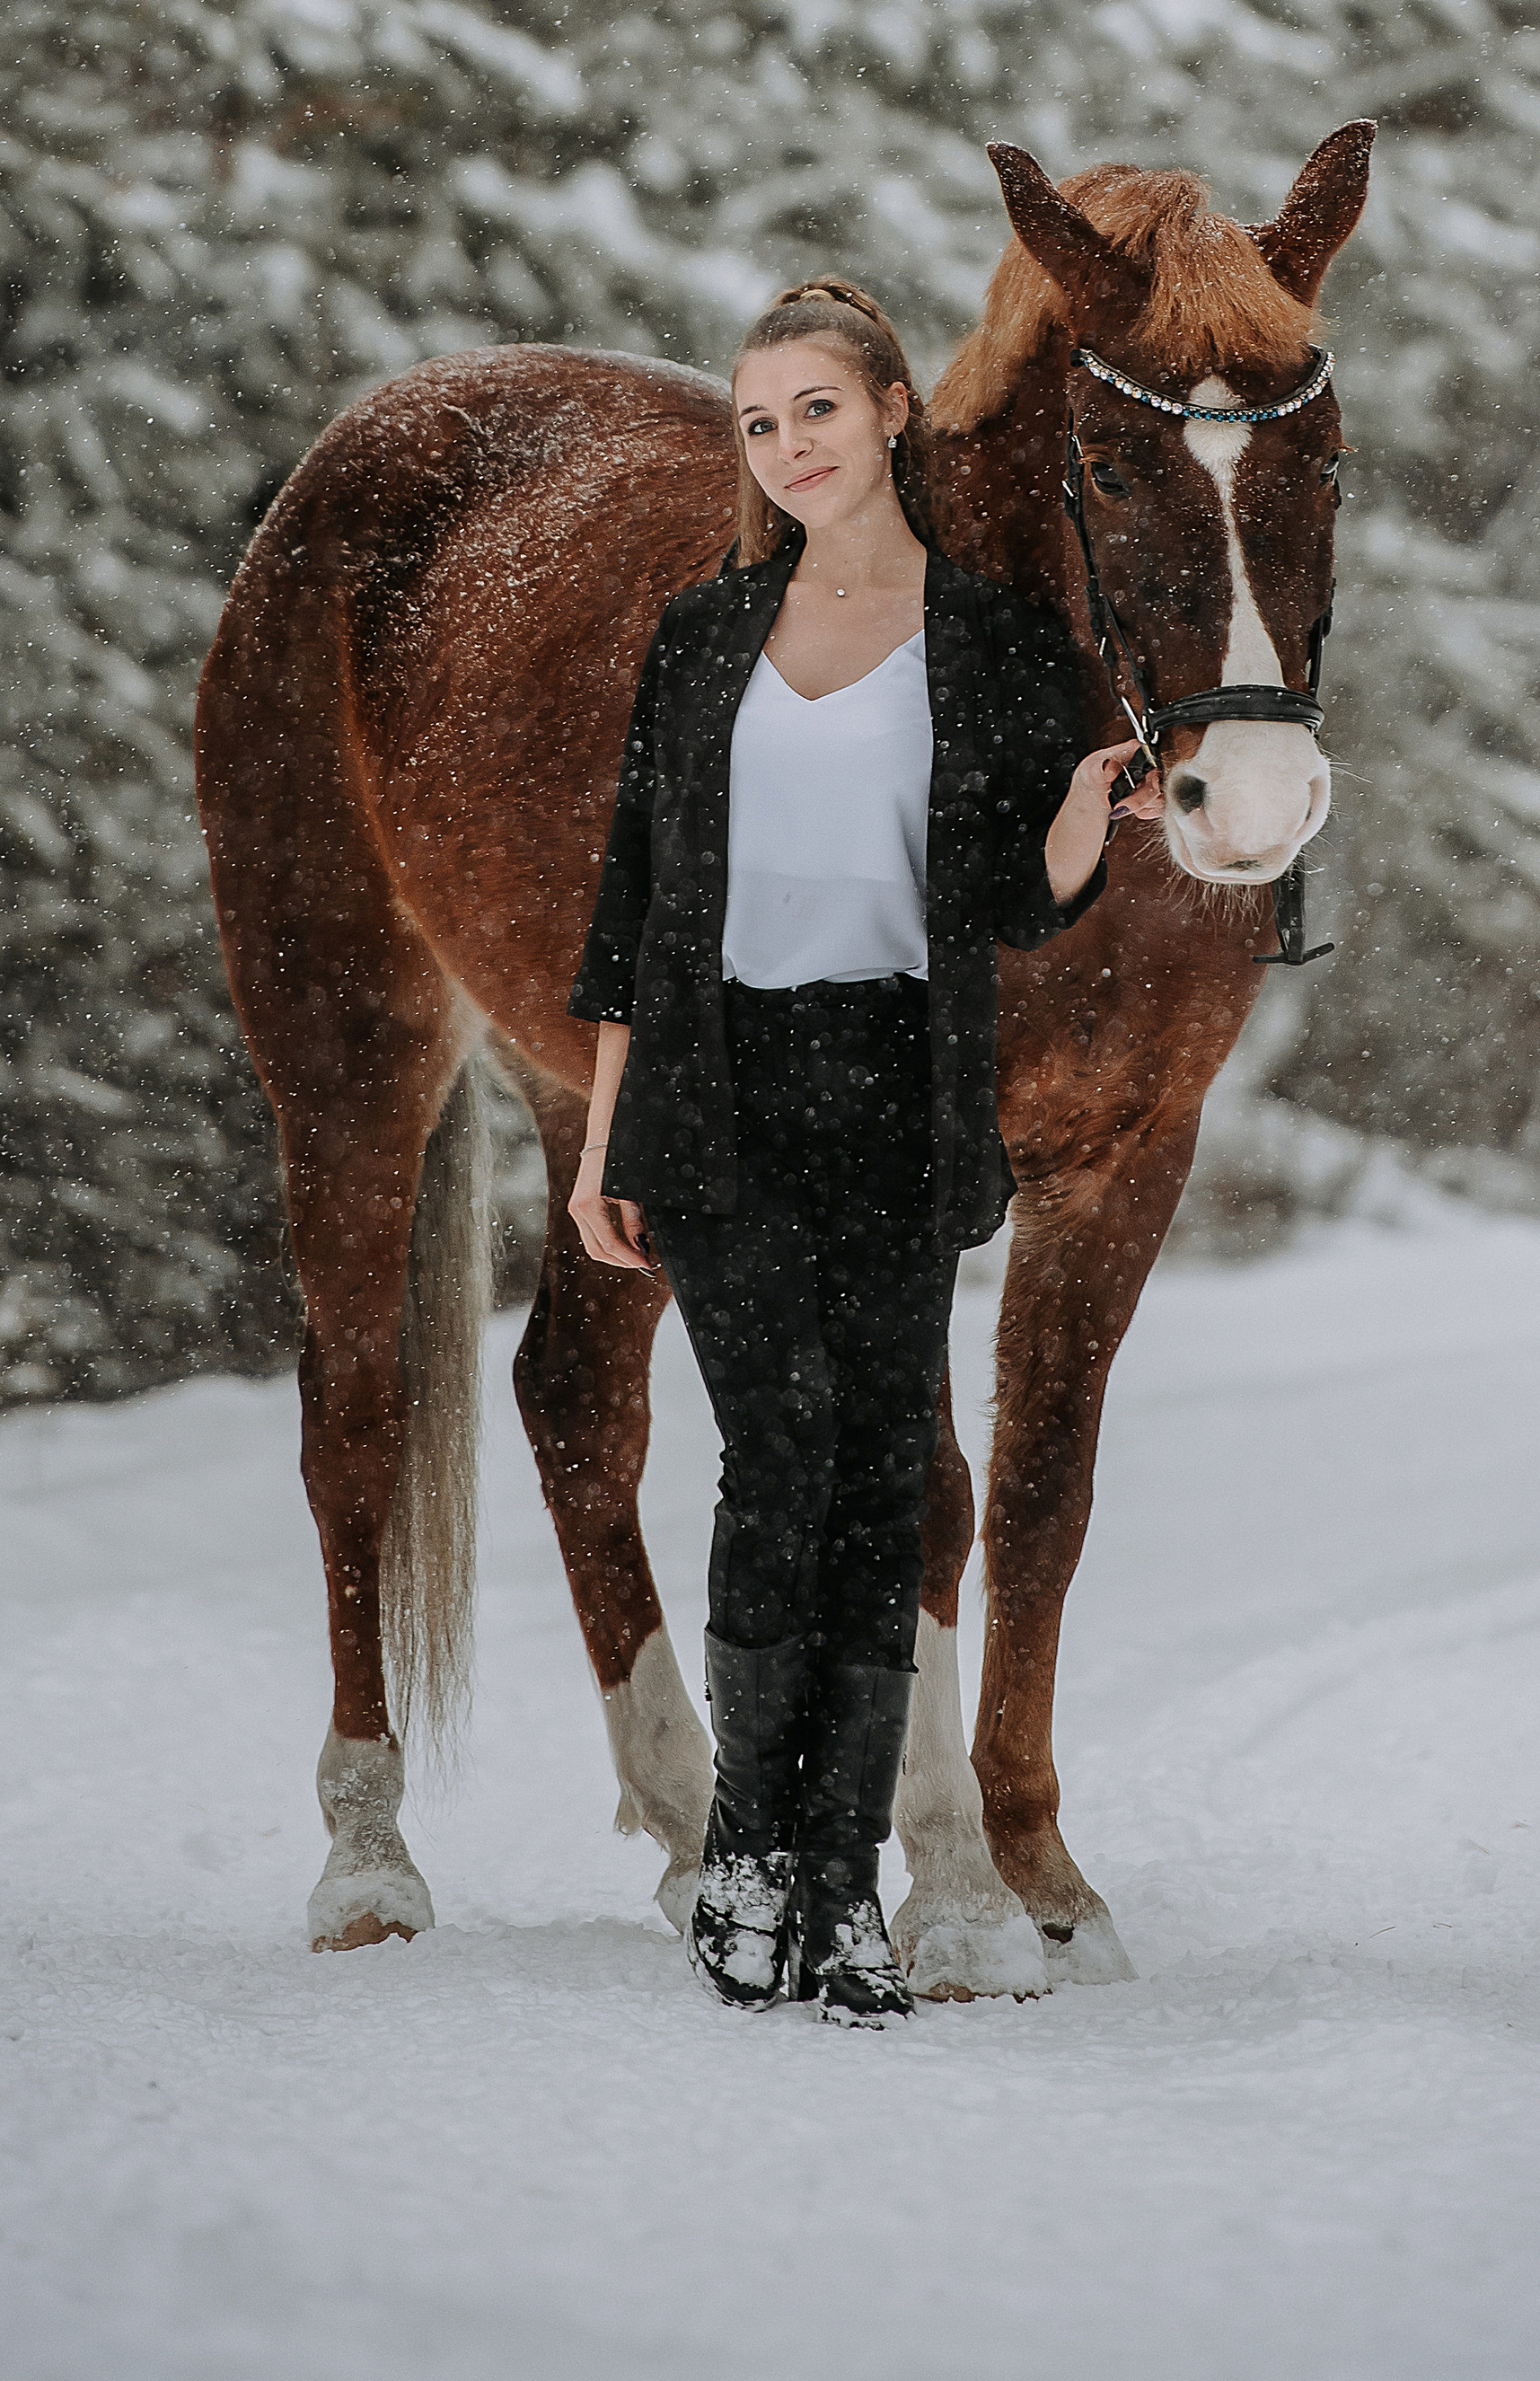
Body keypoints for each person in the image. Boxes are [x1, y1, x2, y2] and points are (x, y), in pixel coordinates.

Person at [567, 278, 1154, 2023]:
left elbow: (1002, 903)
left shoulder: (985, 641)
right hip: (717, 1089)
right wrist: (609, 1133)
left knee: (881, 1466)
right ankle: (760, 1854)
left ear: (892, 410)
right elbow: (630, 907)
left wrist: (1072, 816)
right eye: (756, 421)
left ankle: (840, 1888)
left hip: (897, 1095)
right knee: (777, 1452)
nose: (785, 446)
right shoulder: (699, 634)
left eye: (813, 408)